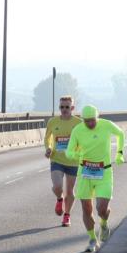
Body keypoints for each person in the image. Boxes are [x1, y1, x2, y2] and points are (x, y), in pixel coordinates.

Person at [65, 105, 125, 253]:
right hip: (85, 173)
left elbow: (120, 134)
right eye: (87, 121)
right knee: (87, 208)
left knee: (101, 208)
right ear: (82, 119)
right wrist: (74, 155)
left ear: (97, 117)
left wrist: (119, 153)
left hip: (104, 172)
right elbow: (69, 151)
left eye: (92, 120)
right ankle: (92, 239)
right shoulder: (77, 130)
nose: (90, 124)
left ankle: (104, 223)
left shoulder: (106, 124)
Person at [44, 96, 82, 227]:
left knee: (70, 191)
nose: (64, 109)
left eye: (67, 107)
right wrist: (48, 148)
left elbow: (84, 140)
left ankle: (67, 215)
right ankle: (59, 199)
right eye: (62, 107)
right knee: (57, 186)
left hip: (72, 161)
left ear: (72, 108)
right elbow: (47, 137)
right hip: (57, 159)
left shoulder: (79, 123)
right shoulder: (53, 122)